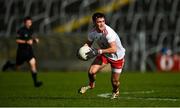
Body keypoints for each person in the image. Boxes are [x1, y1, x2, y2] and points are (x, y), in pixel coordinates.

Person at [78, 12, 125, 99]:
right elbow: (88, 44)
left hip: (117, 56)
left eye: (103, 21)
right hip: (105, 54)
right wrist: (81, 51)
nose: (102, 23)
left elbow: (114, 49)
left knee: (115, 82)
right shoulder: (92, 33)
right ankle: (91, 85)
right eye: (99, 22)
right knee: (91, 72)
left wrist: (98, 51)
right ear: (94, 23)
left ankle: (116, 91)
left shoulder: (108, 33)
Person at [2, 16, 43, 87]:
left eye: (30, 22)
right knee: (17, 66)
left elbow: (31, 38)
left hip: (29, 50)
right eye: (27, 22)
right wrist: (26, 42)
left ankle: (36, 82)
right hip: (22, 52)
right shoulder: (21, 30)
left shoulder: (31, 30)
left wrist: (35, 40)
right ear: (24, 23)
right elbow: (17, 40)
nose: (29, 24)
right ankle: (9, 64)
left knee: (33, 63)